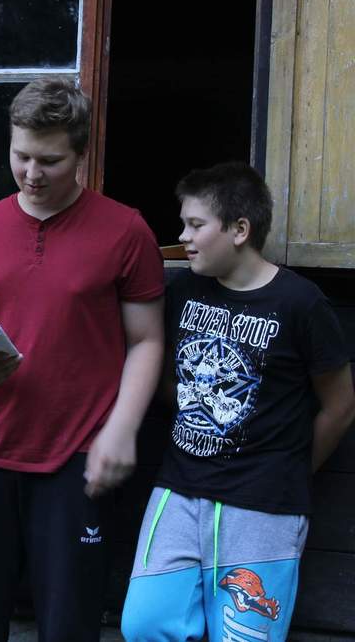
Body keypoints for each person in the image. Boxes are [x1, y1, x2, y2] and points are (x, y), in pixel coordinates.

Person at [0, 76, 166, 641]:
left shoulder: (126, 230)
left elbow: (147, 341)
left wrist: (121, 431)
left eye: (50, 161)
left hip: (77, 455)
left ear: (81, 155)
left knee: (68, 625)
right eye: (22, 156)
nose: (32, 173)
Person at [120, 162, 355, 641]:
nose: (183, 237)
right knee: (144, 624)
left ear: (240, 230)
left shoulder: (301, 303)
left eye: (196, 225)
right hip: (179, 493)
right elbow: (169, 380)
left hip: (264, 506)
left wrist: (291, 468)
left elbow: (340, 405)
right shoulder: (184, 291)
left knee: (244, 635)